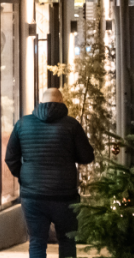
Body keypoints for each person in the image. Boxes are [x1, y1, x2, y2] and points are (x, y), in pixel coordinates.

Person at [4, 88, 95, 258]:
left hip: (32, 197)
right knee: (67, 240)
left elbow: (10, 158)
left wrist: (25, 177)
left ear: (41, 103)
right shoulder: (71, 125)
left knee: (37, 241)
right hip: (65, 195)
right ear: (62, 101)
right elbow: (87, 156)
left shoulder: (23, 124)